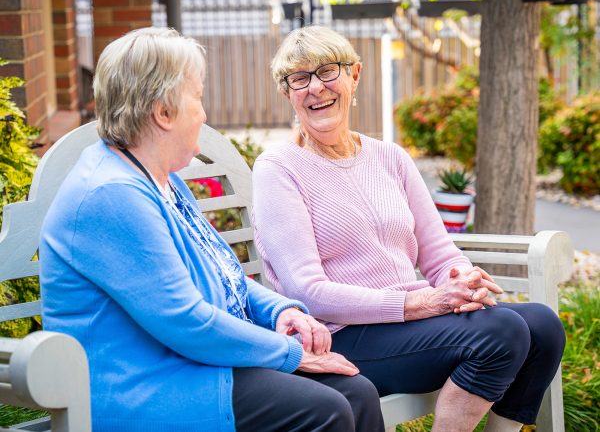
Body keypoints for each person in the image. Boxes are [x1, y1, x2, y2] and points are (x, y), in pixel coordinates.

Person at [39, 27, 385, 432]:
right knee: (322, 409)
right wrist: (289, 352)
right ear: (163, 113)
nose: (204, 114)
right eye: (198, 98)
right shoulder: (112, 194)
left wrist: (279, 309)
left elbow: (224, 271)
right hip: (144, 387)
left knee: (355, 392)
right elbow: (187, 321)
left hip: (191, 364)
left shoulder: (160, 179)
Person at [252, 25, 566, 432]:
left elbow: (438, 252)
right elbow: (306, 292)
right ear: (287, 92)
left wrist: (464, 279)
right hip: (341, 335)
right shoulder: (278, 168)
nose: (316, 88)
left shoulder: (389, 157)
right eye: (300, 78)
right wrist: (427, 303)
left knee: (543, 325)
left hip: (408, 326)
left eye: (328, 71)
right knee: (500, 332)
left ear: (355, 75)